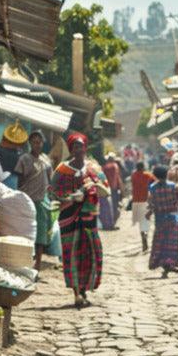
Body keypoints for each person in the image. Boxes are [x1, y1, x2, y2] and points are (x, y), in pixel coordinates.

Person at [51, 132, 110, 308]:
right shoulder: (62, 169)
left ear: (85, 147)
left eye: (81, 146)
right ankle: (76, 293)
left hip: (89, 219)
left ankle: (84, 289)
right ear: (71, 149)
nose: (79, 149)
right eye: (75, 146)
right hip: (69, 219)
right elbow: (52, 192)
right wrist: (70, 198)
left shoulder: (94, 169)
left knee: (90, 254)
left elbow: (106, 191)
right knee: (72, 255)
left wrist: (94, 185)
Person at [14, 130, 54, 270]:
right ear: (30, 143)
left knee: (40, 234)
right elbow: (20, 182)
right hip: (27, 201)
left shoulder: (46, 160)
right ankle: (24, 261)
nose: (37, 145)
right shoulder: (24, 159)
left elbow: (50, 180)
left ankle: (37, 263)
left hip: (41, 201)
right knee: (26, 231)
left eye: (39, 142)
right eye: (34, 142)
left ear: (43, 143)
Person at [147, 163, 178, 277]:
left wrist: (149, 212)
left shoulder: (152, 188)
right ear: (166, 174)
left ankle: (165, 266)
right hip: (173, 218)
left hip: (160, 219)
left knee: (160, 243)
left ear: (155, 175)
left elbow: (152, 204)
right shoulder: (173, 186)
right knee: (171, 243)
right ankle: (170, 264)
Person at [130, 161, 155, 253]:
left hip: (136, 201)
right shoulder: (148, 175)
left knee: (141, 222)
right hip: (146, 201)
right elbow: (155, 182)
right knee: (146, 222)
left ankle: (143, 236)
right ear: (143, 167)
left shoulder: (133, 175)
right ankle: (145, 235)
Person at [102, 152, 123, 219]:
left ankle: (110, 219)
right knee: (114, 204)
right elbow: (117, 177)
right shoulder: (115, 166)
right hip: (114, 188)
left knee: (109, 204)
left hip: (106, 187)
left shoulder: (104, 166)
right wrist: (120, 188)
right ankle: (114, 220)